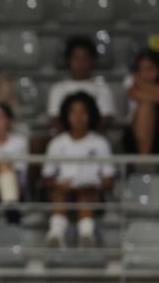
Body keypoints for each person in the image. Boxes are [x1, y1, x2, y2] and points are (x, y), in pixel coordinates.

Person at [43, 92, 115, 248]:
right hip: (63, 190)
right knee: (59, 195)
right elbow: (47, 177)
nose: (78, 117)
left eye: (83, 112)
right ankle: (55, 235)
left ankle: (86, 236)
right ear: (66, 115)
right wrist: (59, 185)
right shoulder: (56, 143)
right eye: (73, 112)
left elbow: (109, 179)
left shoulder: (100, 143)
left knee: (85, 195)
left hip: (91, 192)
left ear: (90, 115)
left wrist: (95, 186)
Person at [46, 36, 116, 133]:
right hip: (64, 140)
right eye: (75, 58)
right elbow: (55, 119)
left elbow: (105, 120)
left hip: (93, 140)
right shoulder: (58, 88)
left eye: (85, 58)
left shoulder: (103, 88)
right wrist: (72, 140)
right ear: (69, 60)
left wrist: (85, 140)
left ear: (92, 60)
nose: (80, 63)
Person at [123, 50, 159, 155]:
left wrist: (144, 86)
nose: (145, 73)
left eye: (150, 68)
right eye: (141, 69)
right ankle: (143, 163)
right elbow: (135, 94)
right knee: (146, 106)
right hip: (136, 132)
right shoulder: (130, 80)